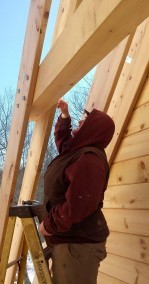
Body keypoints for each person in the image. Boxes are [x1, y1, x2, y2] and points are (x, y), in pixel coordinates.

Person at [39, 99, 115, 284]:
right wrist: (65, 116)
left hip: (79, 244)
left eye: (86, 121)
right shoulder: (78, 152)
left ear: (94, 130)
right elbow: (64, 143)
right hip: (72, 240)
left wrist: (49, 225)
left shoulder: (89, 160)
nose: (81, 121)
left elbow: (79, 205)